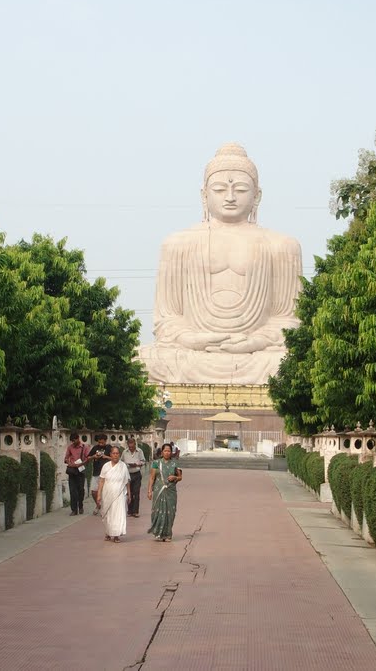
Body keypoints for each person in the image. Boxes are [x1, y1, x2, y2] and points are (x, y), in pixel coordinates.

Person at [137, 143, 303, 384]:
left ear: (257, 195)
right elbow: (167, 318)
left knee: (290, 362)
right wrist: (193, 339)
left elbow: (288, 320)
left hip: (257, 356)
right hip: (193, 353)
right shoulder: (177, 244)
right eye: (219, 189)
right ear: (204, 195)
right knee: (143, 361)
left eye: (241, 189)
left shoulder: (282, 245)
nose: (230, 197)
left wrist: (255, 341)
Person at [147, 442, 183, 542]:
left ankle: (167, 534)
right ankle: (158, 533)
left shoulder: (175, 463)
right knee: (156, 512)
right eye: (165, 451)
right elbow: (152, 477)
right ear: (162, 452)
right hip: (159, 490)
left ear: (171, 452)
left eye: (169, 451)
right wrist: (149, 491)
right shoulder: (156, 463)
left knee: (170, 513)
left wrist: (175, 477)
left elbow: (180, 477)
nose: (167, 453)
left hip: (170, 491)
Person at [95, 446, 130, 543]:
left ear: (119, 454)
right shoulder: (106, 466)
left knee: (118, 514)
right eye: (113, 453)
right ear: (110, 454)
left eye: (117, 453)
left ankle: (116, 535)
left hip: (120, 494)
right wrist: (99, 494)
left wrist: (129, 494)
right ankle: (108, 532)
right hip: (107, 494)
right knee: (108, 515)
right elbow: (101, 481)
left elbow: (126, 481)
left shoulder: (123, 466)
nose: (115, 455)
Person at [62, 431, 89, 516]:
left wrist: (81, 463)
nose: (73, 442)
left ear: (78, 439)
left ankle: (80, 505)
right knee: (72, 490)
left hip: (81, 470)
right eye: (72, 441)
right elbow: (66, 458)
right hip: (72, 470)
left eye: (74, 440)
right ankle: (74, 509)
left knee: (81, 490)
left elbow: (88, 458)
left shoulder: (84, 447)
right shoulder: (70, 447)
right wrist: (68, 462)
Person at [88, 433, 112, 515]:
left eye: (102, 442)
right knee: (94, 491)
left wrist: (106, 457)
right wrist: (94, 456)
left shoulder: (109, 448)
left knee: (105, 491)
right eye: (99, 442)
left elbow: (115, 458)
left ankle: (106, 508)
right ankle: (98, 505)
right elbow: (88, 457)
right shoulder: (95, 448)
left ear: (105, 441)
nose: (100, 444)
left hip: (107, 473)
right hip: (96, 472)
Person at [122, 437, 146, 517]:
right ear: (128, 444)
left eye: (132, 445)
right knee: (129, 493)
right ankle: (129, 510)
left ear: (135, 444)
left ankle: (135, 511)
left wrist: (139, 464)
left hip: (136, 473)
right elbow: (121, 462)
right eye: (129, 445)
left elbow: (143, 461)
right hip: (127, 474)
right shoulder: (125, 452)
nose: (131, 447)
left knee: (136, 492)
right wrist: (126, 464)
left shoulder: (139, 451)